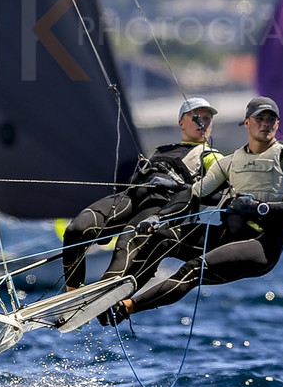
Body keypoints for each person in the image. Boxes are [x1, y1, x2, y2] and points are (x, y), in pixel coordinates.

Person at [114, 96, 283, 320]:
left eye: (271, 120)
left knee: (193, 269)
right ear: (247, 123)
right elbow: (194, 194)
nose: (266, 124)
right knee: (162, 236)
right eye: (260, 119)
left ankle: (126, 308)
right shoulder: (231, 161)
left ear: (277, 124)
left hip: (260, 245)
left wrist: (259, 207)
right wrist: (159, 217)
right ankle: (117, 291)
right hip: (225, 236)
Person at [61, 97, 222, 290]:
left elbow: (223, 186)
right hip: (133, 198)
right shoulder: (165, 149)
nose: (202, 122)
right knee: (76, 230)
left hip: (161, 207)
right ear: (181, 123)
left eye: (207, 118)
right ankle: (72, 292)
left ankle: (103, 292)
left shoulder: (211, 155)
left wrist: (178, 187)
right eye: (196, 117)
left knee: (127, 242)